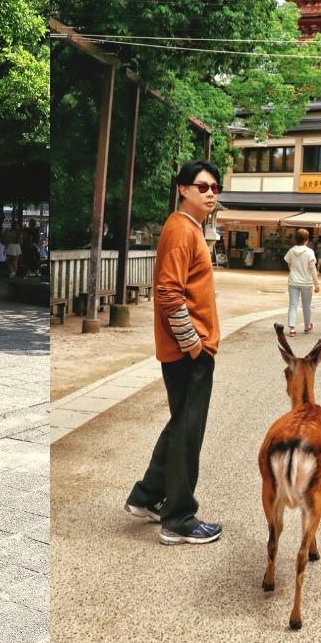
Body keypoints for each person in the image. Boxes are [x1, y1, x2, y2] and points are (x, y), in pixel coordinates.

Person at [126, 160, 223, 546]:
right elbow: (168, 292)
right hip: (189, 352)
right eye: (203, 187)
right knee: (188, 432)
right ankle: (179, 518)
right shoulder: (182, 229)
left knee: (180, 424)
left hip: (185, 350)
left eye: (215, 187)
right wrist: (194, 345)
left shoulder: (188, 228)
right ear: (183, 189)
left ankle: (146, 496)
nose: (211, 193)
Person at [283, 228, 320, 336]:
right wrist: (316, 284)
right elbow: (313, 269)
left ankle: (292, 329)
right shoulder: (310, 252)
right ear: (307, 240)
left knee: (293, 305)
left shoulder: (291, 251)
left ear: (296, 239)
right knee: (306, 305)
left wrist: (294, 272)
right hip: (307, 283)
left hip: (293, 281)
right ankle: (307, 326)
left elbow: (289, 264)